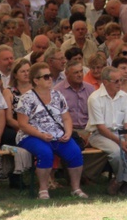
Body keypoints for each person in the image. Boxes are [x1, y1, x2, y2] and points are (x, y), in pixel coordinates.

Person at [15, 62, 88, 200]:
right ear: (36, 80)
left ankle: (76, 188)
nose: (50, 79)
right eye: (46, 76)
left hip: (57, 134)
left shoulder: (57, 95)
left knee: (75, 152)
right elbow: (22, 124)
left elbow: (66, 118)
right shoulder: (26, 98)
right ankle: (43, 190)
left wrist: (68, 132)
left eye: (50, 76)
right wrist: (40, 135)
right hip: (31, 135)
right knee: (45, 153)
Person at [87, 66, 127, 195]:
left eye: (121, 80)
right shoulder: (95, 98)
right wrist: (121, 142)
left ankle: (125, 181)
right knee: (116, 152)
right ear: (105, 81)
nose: (120, 84)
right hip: (99, 134)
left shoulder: (124, 96)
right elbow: (101, 128)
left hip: (121, 133)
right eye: (116, 81)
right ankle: (120, 181)